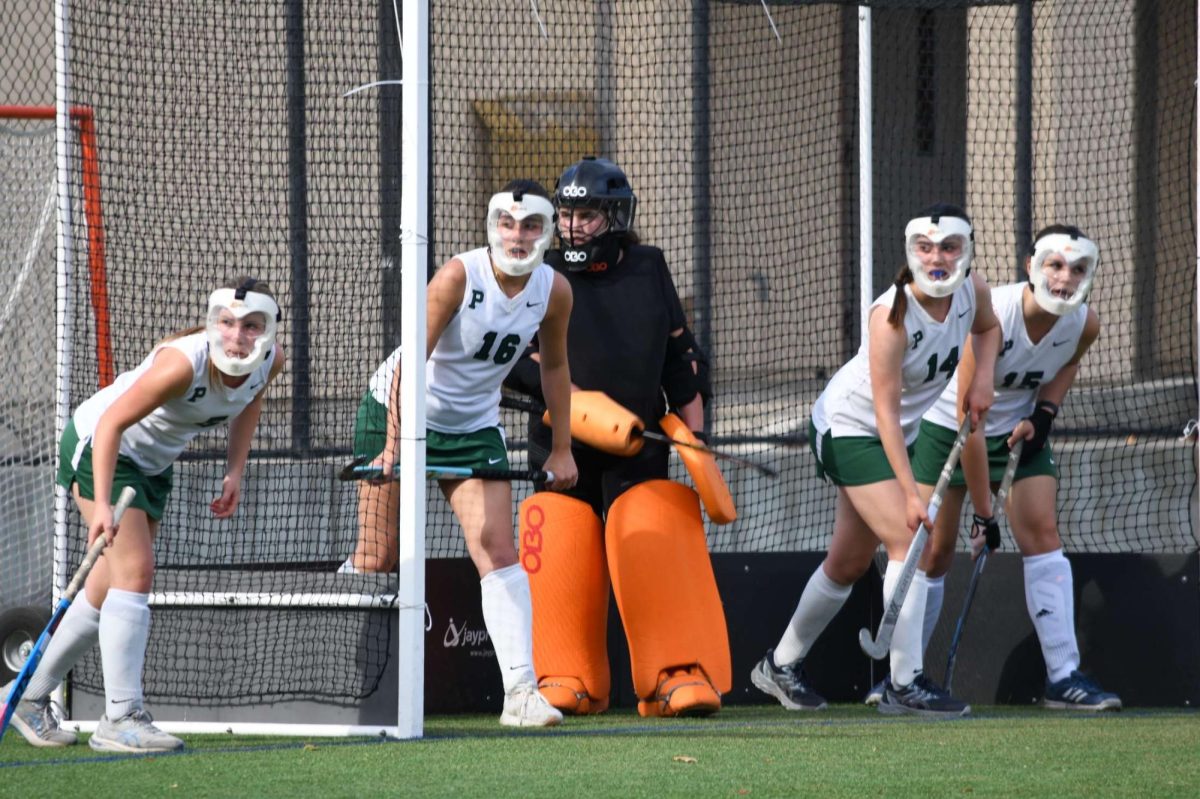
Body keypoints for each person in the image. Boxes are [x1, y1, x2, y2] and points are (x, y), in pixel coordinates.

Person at [3, 278, 284, 751]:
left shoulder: (271, 362)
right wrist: (104, 506)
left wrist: (235, 470)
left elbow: (248, 402)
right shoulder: (182, 363)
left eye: (253, 327)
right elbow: (111, 421)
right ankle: (121, 718)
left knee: (105, 589)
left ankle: (26, 697)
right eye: (229, 323)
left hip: (153, 463)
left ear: (269, 330)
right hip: (101, 446)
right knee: (136, 573)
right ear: (215, 324)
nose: (239, 336)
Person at [338, 179, 578, 728]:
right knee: (376, 558)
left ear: (548, 232)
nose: (517, 237)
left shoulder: (554, 290)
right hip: (397, 410)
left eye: (531, 226)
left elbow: (557, 368)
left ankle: (520, 694)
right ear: (492, 225)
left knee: (497, 548)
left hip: (473, 425)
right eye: (507, 224)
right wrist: (396, 446)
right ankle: (339, 683)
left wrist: (563, 448)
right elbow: (409, 363)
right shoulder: (456, 276)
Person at [751, 204, 1000, 717]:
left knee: (849, 562)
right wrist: (911, 494)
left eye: (949, 247)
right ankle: (904, 684)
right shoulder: (891, 317)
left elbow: (989, 331)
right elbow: (884, 415)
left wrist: (982, 380)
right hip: (848, 428)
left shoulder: (973, 292)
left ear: (967, 249)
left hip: (888, 435)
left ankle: (779, 665)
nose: (937, 258)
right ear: (910, 252)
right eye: (926, 249)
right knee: (909, 539)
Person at [505, 156, 732, 718]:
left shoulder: (650, 268)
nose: (575, 225)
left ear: (617, 217)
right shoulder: (540, 271)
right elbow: (512, 358)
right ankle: (567, 675)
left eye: (588, 215)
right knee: (558, 538)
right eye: (567, 213)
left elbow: (682, 358)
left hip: (640, 442)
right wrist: (574, 404)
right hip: (563, 445)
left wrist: (693, 435)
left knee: (651, 531)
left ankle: (675, 673)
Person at [863, 224, 1121, 711]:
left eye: (1078, 269)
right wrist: (985, 513)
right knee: (932, 553)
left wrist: (1044, 414)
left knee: (1042, 532)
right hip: (951, 429)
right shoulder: (992, 314)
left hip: (1015, 431)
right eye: (1054, 265)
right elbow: (969, 420)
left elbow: (1068, 362)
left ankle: (1064, 678)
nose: (1065, 278)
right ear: (1030, 267)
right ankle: (904, 678)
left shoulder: (1084, 323)